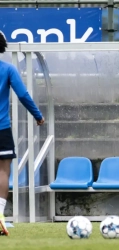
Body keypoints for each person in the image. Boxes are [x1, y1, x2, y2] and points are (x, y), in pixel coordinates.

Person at [0, 32, 44, 235]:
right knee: (2, 171)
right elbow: (23, 94)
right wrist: (38, 116)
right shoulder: (7, 69)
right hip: (1, 129)